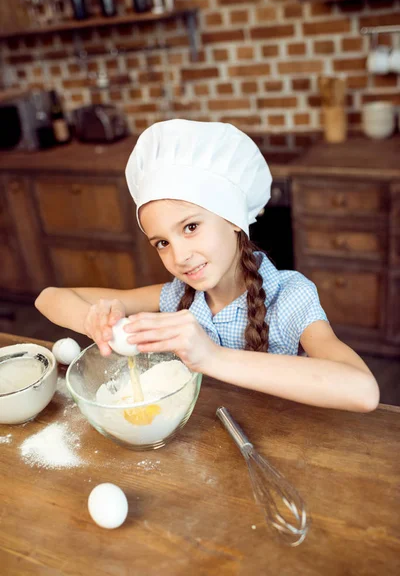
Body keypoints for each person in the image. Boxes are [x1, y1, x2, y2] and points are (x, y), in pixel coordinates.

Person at [35, 119, 379, 412]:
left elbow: (363, 391)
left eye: (191, 227)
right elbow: (49, 297)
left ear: (233, 220)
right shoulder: (176, 298)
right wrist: (93, 320)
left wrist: (210, 357)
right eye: (162, 243)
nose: (179, 256)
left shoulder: (289, 298)